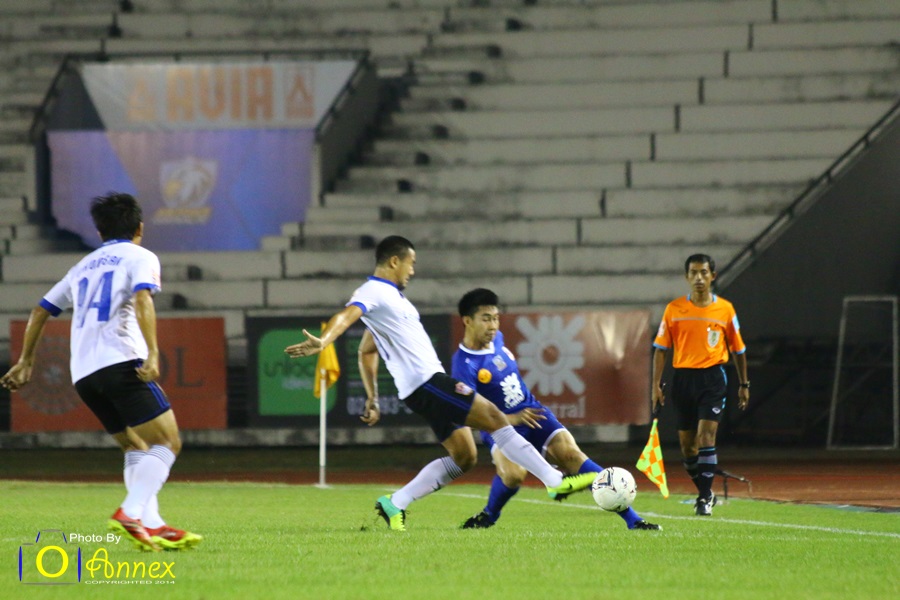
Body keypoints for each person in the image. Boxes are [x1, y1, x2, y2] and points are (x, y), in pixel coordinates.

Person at [284, 235, 596, 531]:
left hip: (419, 389)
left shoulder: (390, 301)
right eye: (411, 263)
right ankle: (555, 481)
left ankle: (395, 503)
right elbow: (347, 315)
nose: (412, 271)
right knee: (495, 418)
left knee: (465, 457)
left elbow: (366, 349)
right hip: (427, 382)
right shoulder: (373, 291)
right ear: (394, 261)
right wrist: (324, 340)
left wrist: (372, 396)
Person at [0, 193, 201, 551]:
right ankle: (130, 513)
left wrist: (26, 360)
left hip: (84, 374)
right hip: (120, 361)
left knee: (134, 445)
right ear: (140, 228)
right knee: (167, 442)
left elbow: (40, 310)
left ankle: (152, 525)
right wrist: (153, 352)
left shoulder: (83, 266)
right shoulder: (140, 256)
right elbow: (142, 298)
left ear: (99, 231)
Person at [452, 288, 661, 530]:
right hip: (501, 427)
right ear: (467, 321)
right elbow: (469, 415)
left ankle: (634, 521)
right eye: (486, 319)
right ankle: (489, 515)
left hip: (533, 413)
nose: (493, 326)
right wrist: (512, 418)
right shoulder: (463, 365)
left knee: (573, 456)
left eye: (496, 318)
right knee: (513, 475)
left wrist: (521, 413)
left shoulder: (497, 339)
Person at [651, 253, 750, 516]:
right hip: (683, 380)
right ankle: (706, 491)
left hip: (712, 379)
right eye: (693, 272)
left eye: (703, 272)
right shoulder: (674, 309)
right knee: (688, 448)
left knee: (706, 436)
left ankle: (704, 498)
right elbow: (660, 350)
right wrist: (655, 386)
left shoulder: (725, 309)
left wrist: (744, 384)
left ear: (712, 276)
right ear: (687, 277)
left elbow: (739, 350)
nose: (698, 278)